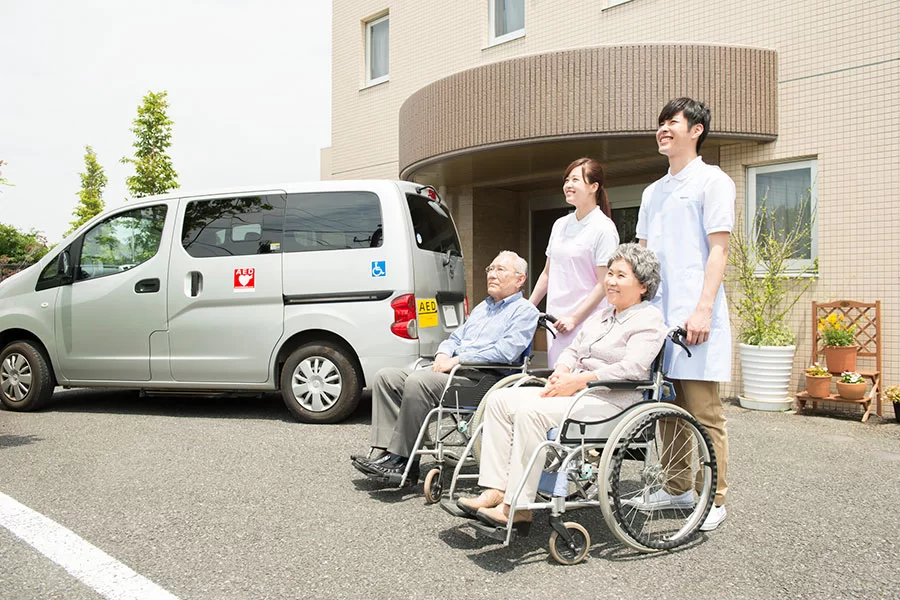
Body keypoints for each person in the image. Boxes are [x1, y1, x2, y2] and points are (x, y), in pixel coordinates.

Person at [456, 244, 667, 529]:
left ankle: (518, 507)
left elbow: (632, 368)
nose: (610, 281)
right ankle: (497, 489)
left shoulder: (648, 319)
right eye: (610, 274)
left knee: (531, 413)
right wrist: (562, 370)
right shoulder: (603, 315)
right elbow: (573, 350)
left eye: (621, 275)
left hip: (611, 402)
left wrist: (579, 380)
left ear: (643, 286)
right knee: (500, 400)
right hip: (578, 392)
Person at [351, 251, 540, 484]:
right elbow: (455, 338)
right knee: (386, 377)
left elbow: (506, 352)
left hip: (486, 379)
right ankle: (388, 452)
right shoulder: (483, 308)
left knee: (418, 382)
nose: (492, 274)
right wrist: (443, 354)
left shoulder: (525, 311)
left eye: (500, 269)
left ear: (520, 279)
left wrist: (458, 360)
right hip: (456, 373)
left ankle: (401, 460)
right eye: (490, 269)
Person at [634, 97, 734, 532]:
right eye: (660, 123)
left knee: (703, 411)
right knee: (666, 407)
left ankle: (714, 497)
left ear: (696, 130)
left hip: (695, 315)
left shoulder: (713, 181)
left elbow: (719, 250)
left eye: (671, 122)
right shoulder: (652, 192)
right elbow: (642, 256)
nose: (662, 129)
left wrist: (703, 310)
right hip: (658, 317)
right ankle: (677, 488)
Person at [529, 157, 619, 366]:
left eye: (575, 180)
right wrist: (528, 307)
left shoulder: (603, 228)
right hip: (556, 322)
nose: (568, 185)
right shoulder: (560, 224)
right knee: (556, 377)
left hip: (588, 323)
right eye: (567, 180)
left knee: (579, 378)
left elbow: (604, 284)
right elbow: (547, 273)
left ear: (593, 187)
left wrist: (575, 319)